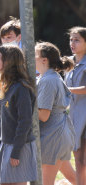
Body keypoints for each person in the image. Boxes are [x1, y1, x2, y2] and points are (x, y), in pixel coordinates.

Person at [0, 44, 37, 185]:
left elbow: (25, 121)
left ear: (8, 62)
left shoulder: (21, 88)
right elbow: (2, 121)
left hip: (19, 146)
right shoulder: (6, 86)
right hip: (6, 145)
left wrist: (16, 151)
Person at [35, 42, 76, 185]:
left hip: (53, 136)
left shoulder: (48, 80)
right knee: (73, 177)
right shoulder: (45, 77)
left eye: (34, 55)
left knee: (45, 183)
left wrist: (24, 112)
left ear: (44, 60)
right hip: (58, 133)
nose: (29, 58)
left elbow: (43, 115)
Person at [65, 26, 86, 185]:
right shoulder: (68, 63)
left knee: (83, 163)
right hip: (74, 119)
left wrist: (65, 89)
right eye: (71, 39)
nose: (73, 43)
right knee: (77, 161)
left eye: (77, 39)